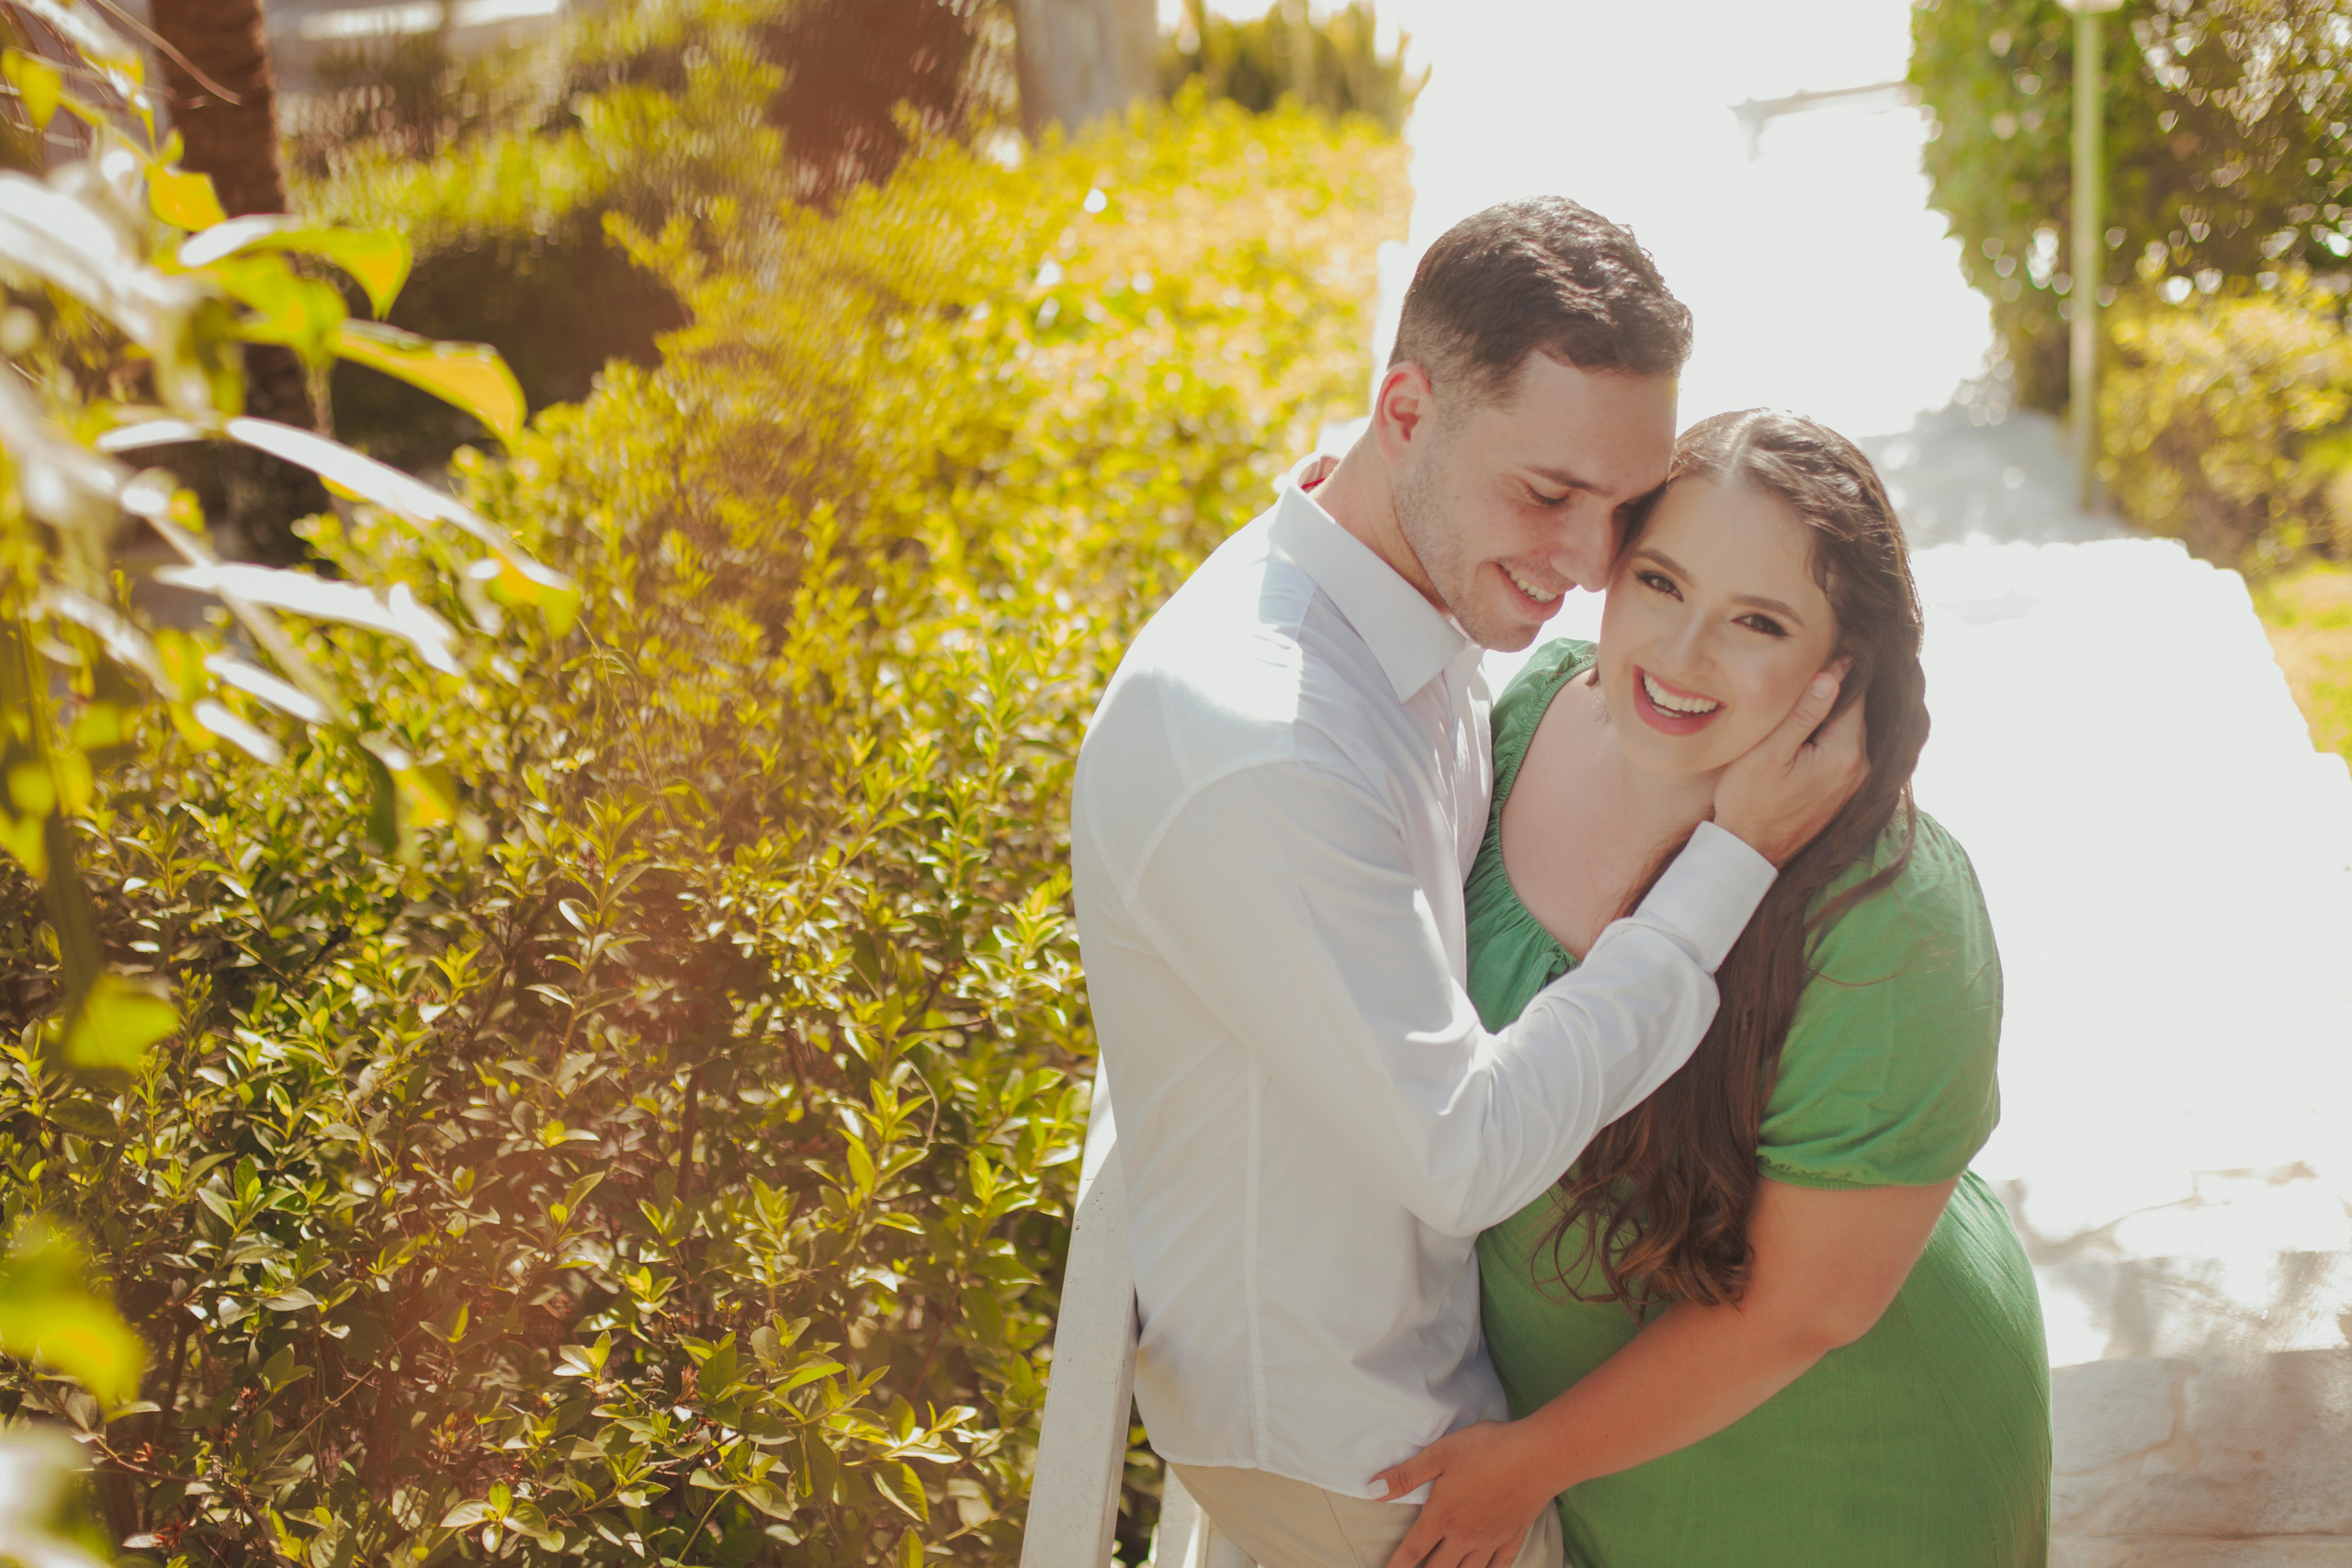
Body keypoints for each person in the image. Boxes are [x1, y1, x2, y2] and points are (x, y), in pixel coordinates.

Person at [1068, 198, 1868, 1568]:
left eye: (1623, 511)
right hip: (1357, 1453)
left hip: (1399, 1391)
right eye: (1547, 494)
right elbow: (1462, 1150)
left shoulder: (1403, 605)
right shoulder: (1268, 742)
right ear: (1406, 411)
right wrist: (1735, 858)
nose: (1584, 563)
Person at [1370, 410, 2052, 1568]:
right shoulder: (1530, 715)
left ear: (1840, 676)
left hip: (1854, 1471)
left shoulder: (1894, 918)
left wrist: (1526, 1464)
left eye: (1756, 622)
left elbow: (1805, 1311)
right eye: (1660, 583)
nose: (1680, 658)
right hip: (1589, 1457)